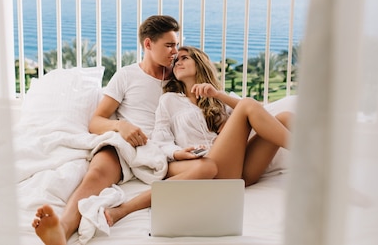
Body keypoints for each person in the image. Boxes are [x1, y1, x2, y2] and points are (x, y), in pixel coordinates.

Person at [31, 16, 216, 245]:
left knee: (206, 169)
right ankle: (62, 228)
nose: (175, 52)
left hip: (163, 152)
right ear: (148, 44)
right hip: (127, 146)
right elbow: (96, 121)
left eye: (176, 45)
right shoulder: (127, 75)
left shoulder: (179, 76)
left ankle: (124, 208)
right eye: (169, 45)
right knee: (96, 174)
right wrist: (121, 125)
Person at [102, 46, 293, 226]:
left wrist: (217, 95)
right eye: (176, 60)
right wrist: (178, 153)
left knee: (285, 117)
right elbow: (161, 140)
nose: (177, 62)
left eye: (184, 58)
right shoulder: (169, 100)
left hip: (241, 170)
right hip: (214, 168)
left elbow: (260, 113)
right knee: (246, 106)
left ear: (199, 63)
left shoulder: (217, 98)